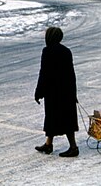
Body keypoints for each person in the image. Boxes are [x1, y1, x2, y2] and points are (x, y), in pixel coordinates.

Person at [34, 27, 79, 158]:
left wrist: (38, 92)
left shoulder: (47, 51)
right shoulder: (66, 51)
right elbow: (71, 74)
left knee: (52, 117)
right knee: (68, 119)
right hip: (66, 91)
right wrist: (73, 93)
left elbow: (44, 73)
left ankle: (73, 147)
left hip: (53, 92)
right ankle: (52, 144)